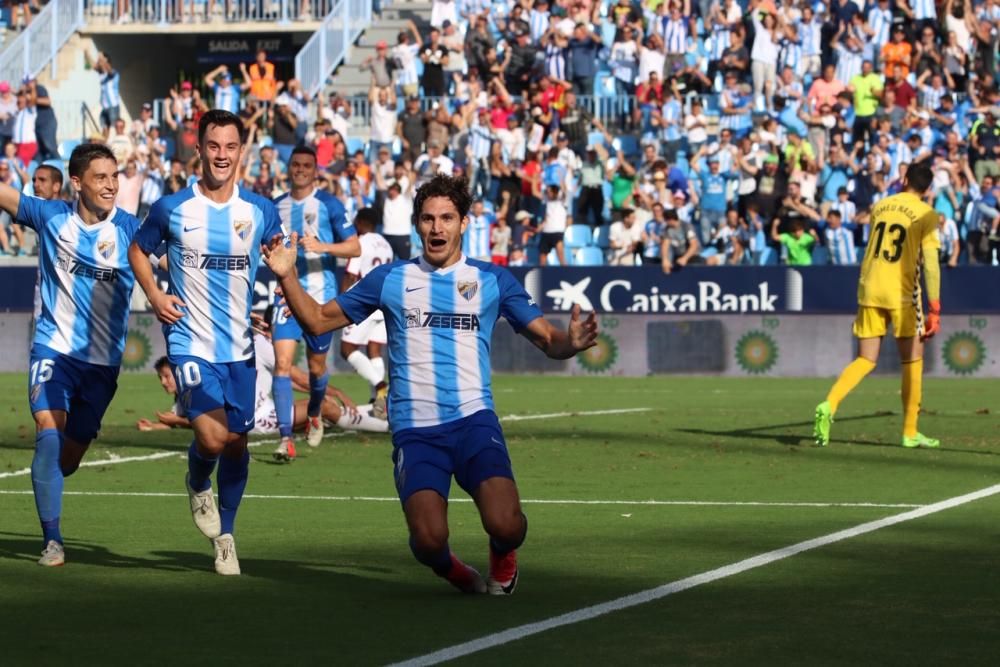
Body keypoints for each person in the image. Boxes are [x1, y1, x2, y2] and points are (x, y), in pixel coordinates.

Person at [262, 174, 598, 595]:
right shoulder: (391, 279)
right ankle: (458, 575)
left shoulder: (492, 281)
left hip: (474, 421)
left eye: (446, 218)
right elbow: (316, 320)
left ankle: (503, 556)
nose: (437, 228)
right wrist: (288, 275)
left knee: (507, 524)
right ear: (417, 224)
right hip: (416, 430)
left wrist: (574, 343)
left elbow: (549, 340)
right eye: (427, 219)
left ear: (463, 223)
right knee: (427, 542)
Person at [129, 109, 285, 576]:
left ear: (242, 151)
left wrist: (283, 289)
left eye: (230, 146)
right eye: (213, 146)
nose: (221, 155)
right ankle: (198, 481)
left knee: (237, 443)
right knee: (213, 439)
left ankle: (226, 538)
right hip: (190, 341)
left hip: (240, 346)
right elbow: (139, 250)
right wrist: (155, 295)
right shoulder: (171, 208)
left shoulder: (259, 210)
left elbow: (279, 257)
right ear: (198, 150)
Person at [0, 143, 141, 567]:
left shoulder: (133, 230)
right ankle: (53, 541)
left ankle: (49, 486)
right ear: (77, 183)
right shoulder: (51, 216)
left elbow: (179, 270)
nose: (111, 185)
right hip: (54, 349)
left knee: (67, 459)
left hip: (102, 364)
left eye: (115, 176)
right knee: (48, 431)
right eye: (101, 177)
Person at [814, 161, 942, 449]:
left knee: (866, 359)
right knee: (912, 359)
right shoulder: (927, 214)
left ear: (904, 178)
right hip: (902, 292)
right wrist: (934, 306)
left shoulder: (881, 206)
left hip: (870, 286)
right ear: (928, 188)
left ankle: (829, 403)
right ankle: (910, 431)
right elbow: (931, 265)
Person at [270, 146, 360, 461]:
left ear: (315, 170)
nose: (300, 170)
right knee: (282, 364)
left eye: (307, 165)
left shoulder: (330, 204)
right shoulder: (275, 206)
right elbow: (266, 249)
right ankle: (284, 439)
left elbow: (355, 248)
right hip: (286, 297)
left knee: (316, 367)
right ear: (289, 168)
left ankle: (313, 412)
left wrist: (322, 246)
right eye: (296, 165)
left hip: (321, 300)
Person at [339, 208, 394, 413]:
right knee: (374, 351)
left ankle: (380, 385)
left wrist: (342, 302)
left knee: (347, 349)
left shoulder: (359, 242)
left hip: (362, 303)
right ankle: (377, 403)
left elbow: (351, 275)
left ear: (361, 222)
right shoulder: (386, 244)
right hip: (382, 303)